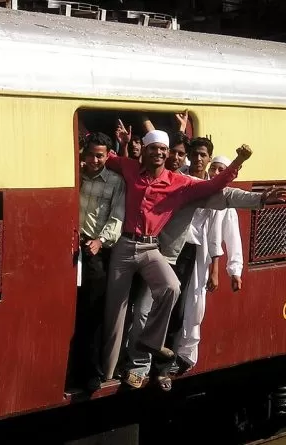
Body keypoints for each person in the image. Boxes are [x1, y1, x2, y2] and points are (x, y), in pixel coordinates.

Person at [101, 129, 254, 389]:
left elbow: (216, 188)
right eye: (153, 148)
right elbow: (106, 158)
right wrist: (111, 148)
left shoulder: (178, 182)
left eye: (163, 149)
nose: (158, 153)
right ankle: (106, 371)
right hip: (125, 245)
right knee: (117, 311)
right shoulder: (129, 168)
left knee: (172, 291)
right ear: (146, 151)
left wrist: (238, 162)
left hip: (155, 248)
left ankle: (149, 347)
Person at [173, 155, 245, 375]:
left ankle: (186, 353)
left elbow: (232, 240)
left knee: (195, 304)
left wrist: (233, 270)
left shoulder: (226, 204)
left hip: (203, 257)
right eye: (213, 168)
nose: (215, 173)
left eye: (220, 169)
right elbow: (186, 161)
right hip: (185, 250)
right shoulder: (196, 186)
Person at [69, 132, 126, 392]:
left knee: (92, 314)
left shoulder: (115, 182)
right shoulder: (75, 175)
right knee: (72, 310)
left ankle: (91, 371)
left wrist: (100, 241)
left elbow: (117, 217)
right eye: (91, 154)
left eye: (100, 155)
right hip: (71, 247)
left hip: (95, 250)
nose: (94, 159)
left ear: (108, 155)